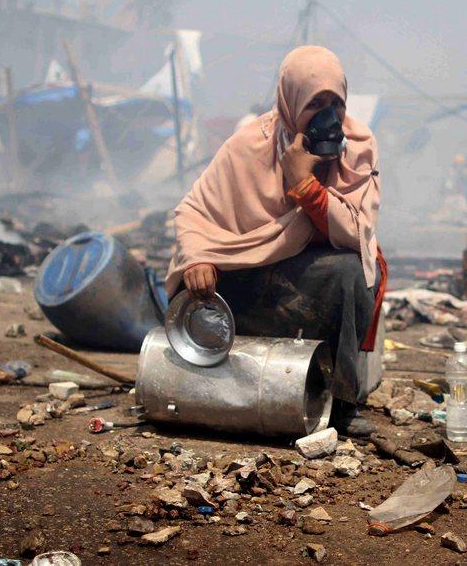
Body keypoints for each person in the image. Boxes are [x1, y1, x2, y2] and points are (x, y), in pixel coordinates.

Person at [165, 45, 387, 437]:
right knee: (194, 290)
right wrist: (198, 257)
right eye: (315, 103)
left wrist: (304, 183)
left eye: (336, 102)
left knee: (353, 272)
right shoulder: (249, 145)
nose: (328, 116)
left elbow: (356, 232)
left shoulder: (357, 146)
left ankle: (340, 403)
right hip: (246, 276)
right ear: (290, 101)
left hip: (307, 285)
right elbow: (192, 211)